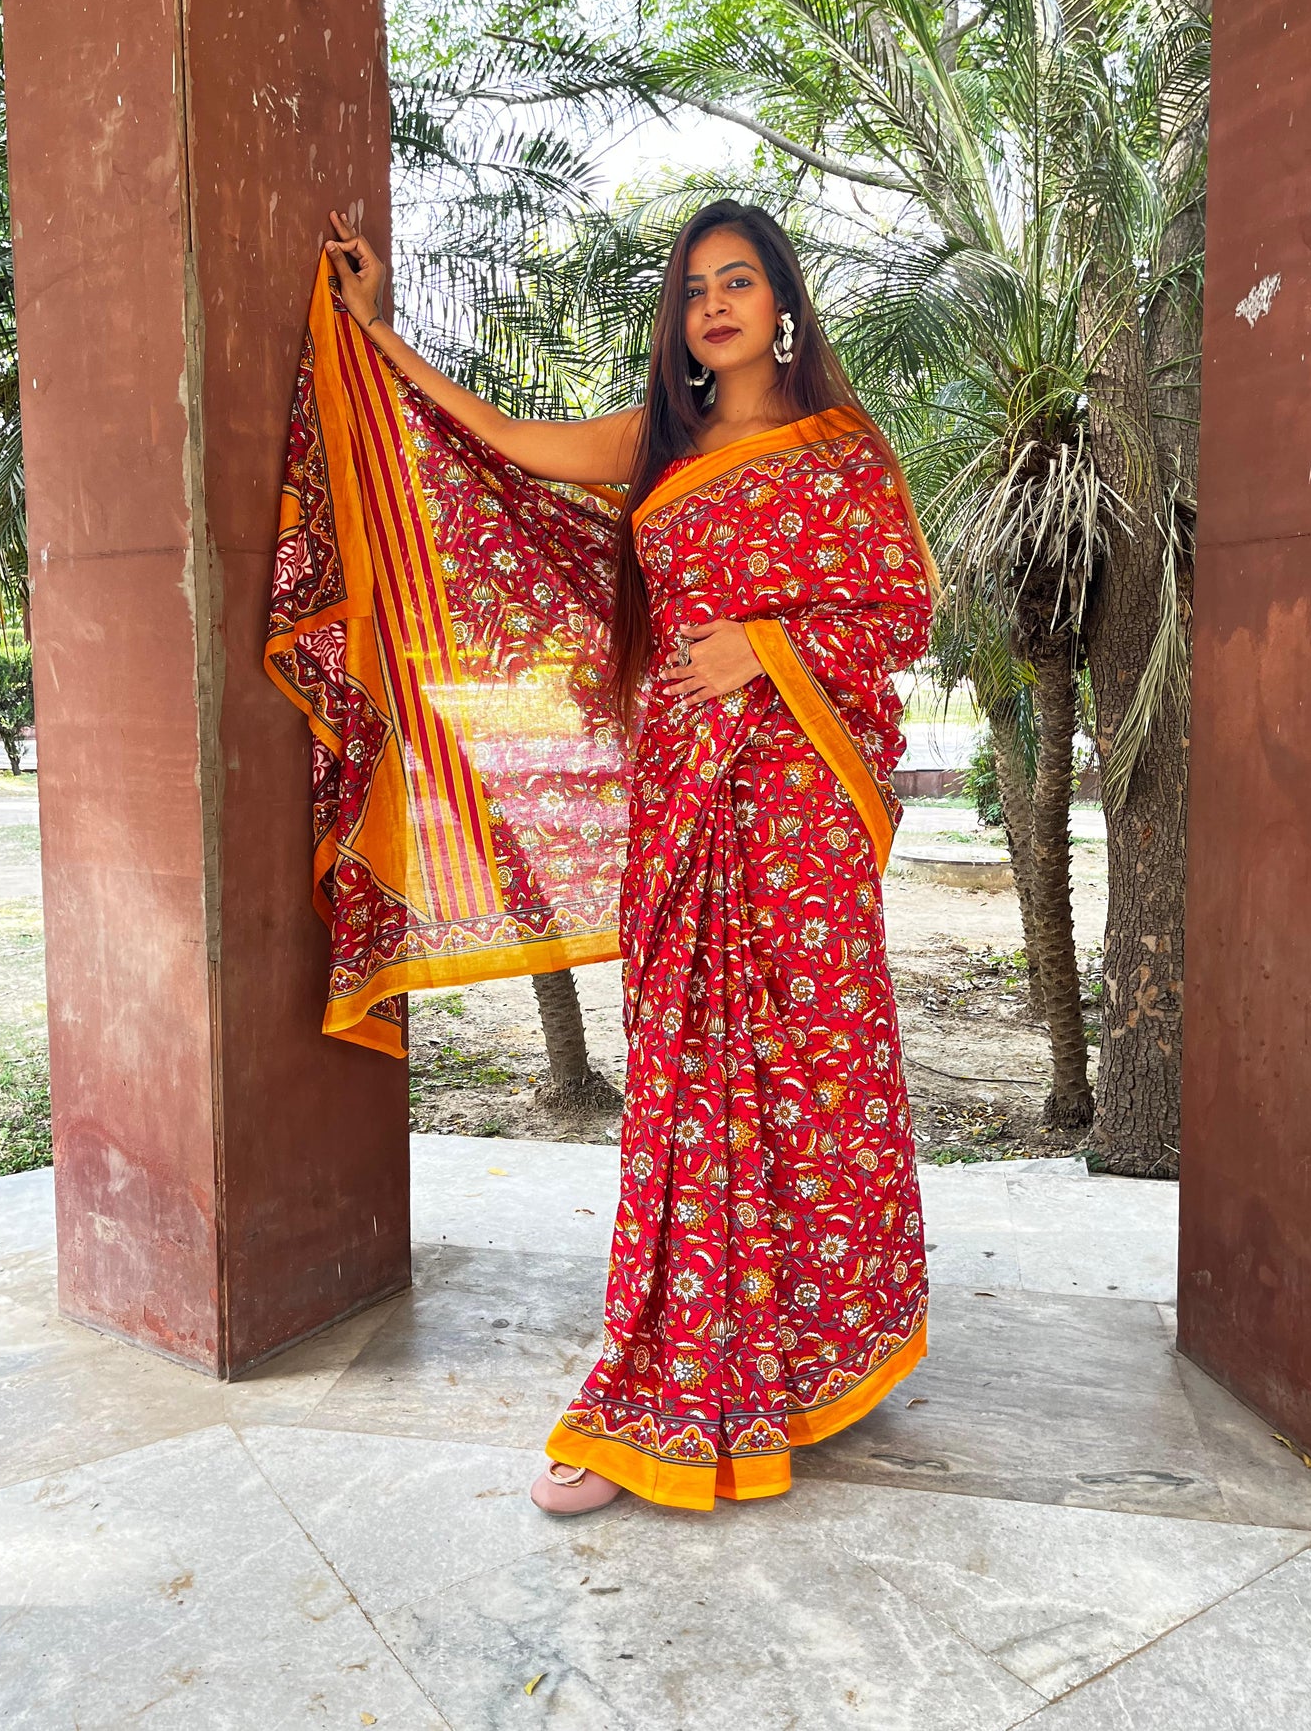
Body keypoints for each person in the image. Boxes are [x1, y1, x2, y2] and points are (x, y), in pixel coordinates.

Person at [323, 199, 937, 1514]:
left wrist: (765, 645)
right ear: (679, 322)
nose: (713, 304)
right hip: (680, 802)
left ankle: (822, 1349)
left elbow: (895, 608)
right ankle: (665, 1372)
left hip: (795, 810)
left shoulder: (839, 452)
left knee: (810, 1066)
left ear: (781, 305)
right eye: (693, 289)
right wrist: (379, 339)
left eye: (738, 281)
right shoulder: (654, 446)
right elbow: (498, 438)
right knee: (682, 1079)